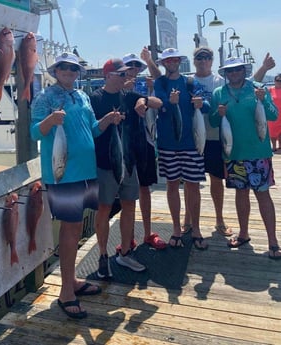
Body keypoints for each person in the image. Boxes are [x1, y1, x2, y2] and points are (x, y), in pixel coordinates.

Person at [30, 52, 124, 319]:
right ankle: (65, 292)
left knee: (76, 228)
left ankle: (72, 282)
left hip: (86, 171)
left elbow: (92, 129)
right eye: (65, 68)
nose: (70, 71)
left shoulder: (82, 96)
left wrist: (107, 120)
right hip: (64, 173)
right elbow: (35, 132)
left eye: (74, 68)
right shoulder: (45, 97)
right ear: (56, 70)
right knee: (69, 230)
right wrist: (50, 121)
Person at [182, 49, 276, 236]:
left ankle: (268, 239)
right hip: (209, 144)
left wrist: (263, 90)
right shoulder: (196, 85)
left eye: (238, 69)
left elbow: (268, 109)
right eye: (199, 57)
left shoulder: (244, 87)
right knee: (193, 183)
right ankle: (192, 221)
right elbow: (215, 118)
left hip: (236, 145)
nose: (234, 73)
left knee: (251, 192)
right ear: (194, 61)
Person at [90, 58, 163, 278]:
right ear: (108, 75)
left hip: (128, 162)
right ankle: (103, 255)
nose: (126, 77)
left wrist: (145, 101)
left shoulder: (129, 96)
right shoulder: (95, 98)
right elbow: (91, 129)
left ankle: (125, 251)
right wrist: (106, 120)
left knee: (129, 205)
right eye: (121, 74)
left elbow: (159, 103)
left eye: (127, 74)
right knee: (103, 209)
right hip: (105, 163)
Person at [209, 57, 281, 259]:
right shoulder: (219, 93)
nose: (234, 73)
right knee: (241, 195)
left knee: (263, 196)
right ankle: (243, 233)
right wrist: (218, 112)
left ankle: (273, 241)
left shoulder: (258, 88)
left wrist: (263, 100)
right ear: (225, 73)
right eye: (230, 71)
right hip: (234, 155)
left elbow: (274, 116)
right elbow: (214, 122)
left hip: (259, 154)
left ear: (244, 70)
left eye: (238, 69)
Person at [153, 48, 209, 250]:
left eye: (175, 59)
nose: (171, 62)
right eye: (168, 60)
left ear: (180, 61)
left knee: (193, 186)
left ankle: (195, 229)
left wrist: (202, 103)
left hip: (191, 143)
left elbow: (207, 107)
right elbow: (160, 105)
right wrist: (169, 102)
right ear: (163, 63)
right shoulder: (161, 83)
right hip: (168, 144)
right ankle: (176, 228)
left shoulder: (190, 82)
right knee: (172, 185)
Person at [118, 52, 166, 250]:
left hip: (145, 142)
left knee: (144, 188)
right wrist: (124, 91)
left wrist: (145, 98)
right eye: (130, 66)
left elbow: (159, 104)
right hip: (124, 144)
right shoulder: (116, 89)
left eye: (136, 66)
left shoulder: (145, 86)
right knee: (126, 194)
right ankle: (127, 238)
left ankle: (147, 233)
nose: (134, 70)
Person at [268, 73, 281, 151]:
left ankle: (280, 145)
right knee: (272, 131)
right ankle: (274, 146)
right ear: (274, 81)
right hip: (273, 113)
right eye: (277, 80)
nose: (279, 82)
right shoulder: (270, 90)